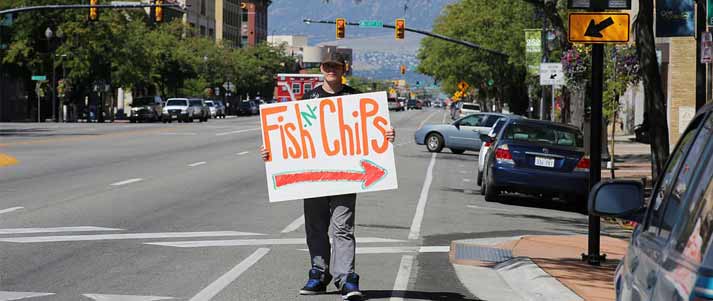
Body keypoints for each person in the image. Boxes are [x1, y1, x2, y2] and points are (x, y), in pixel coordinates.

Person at [259, 51, 395, 300]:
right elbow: (290, 134)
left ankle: (346, 279)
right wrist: (271, 150)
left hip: (346, 176)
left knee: (342, 227)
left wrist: (385, 136)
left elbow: (372, 133)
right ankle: (319, 274)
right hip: (313, 177)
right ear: (321, 68)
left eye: (336, 65)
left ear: (344, 69)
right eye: (326, 65)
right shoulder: (307, 99)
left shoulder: (356, 98)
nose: (331, 69)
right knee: (316, 227)